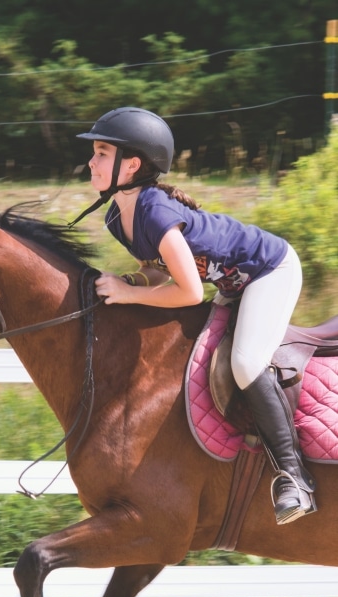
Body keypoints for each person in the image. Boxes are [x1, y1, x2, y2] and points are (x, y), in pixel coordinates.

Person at [75, 106, 316, 525]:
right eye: (94, 153)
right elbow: (159, 269)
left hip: (269, 271)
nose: (91, 162)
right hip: (232, 284)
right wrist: (132, 280)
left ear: (131, 165)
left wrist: (129, 293)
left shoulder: (154, 213)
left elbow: (187, 292)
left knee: (244, 362)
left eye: (100, 153)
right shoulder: (117, 215)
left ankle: (295, 479)